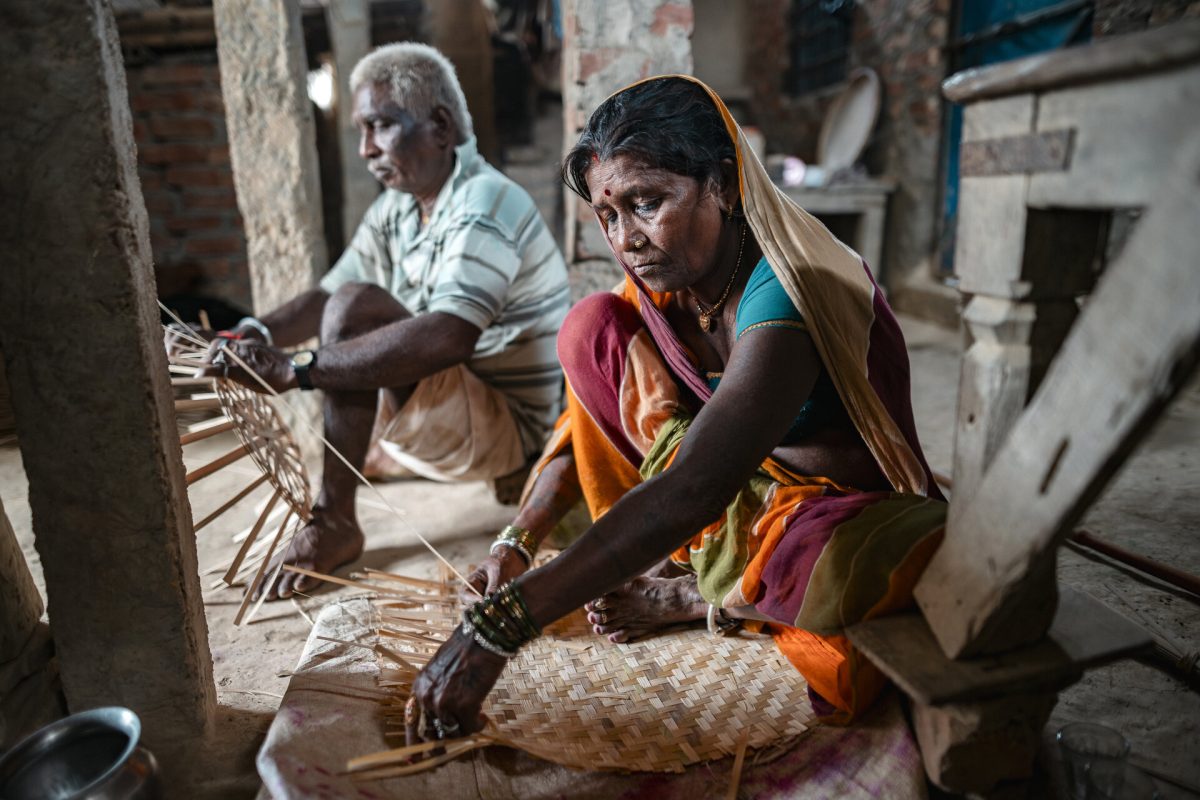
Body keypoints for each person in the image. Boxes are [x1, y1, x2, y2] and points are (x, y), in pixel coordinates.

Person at [406, 75, 949, 745]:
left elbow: (696, 485)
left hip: (817, 509)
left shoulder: (790, 288)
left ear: (722, 182)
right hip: (721, 499)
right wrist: (516, 542)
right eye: (609, 215)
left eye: (646, 202)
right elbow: (580, 429)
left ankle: (694, 594)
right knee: (589, 328)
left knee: (856, 575)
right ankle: (696, 569)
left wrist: (503, 625)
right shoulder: (666, 289)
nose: (626, 237)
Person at [174, 43, 570, 600]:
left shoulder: (484, 201)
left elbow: (449, 334)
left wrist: (296, 369)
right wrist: (250, 337)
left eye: (381, 126)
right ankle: (344, 499)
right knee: (346, 303)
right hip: (447, 413)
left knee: (356, 309)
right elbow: (323, 296)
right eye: (362, 129)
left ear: (439, 126)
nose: (365, 149)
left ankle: (334, 519)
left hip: (507, 430)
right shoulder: (400, 207)